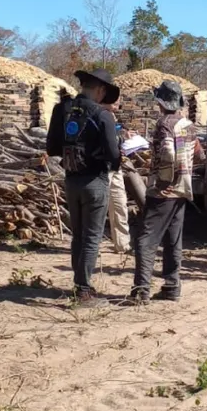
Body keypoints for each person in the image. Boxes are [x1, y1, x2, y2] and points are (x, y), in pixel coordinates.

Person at [46, 68, 121, 305]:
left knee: (78, 235)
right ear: (100, 90)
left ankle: (80, 284)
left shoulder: (62, 109)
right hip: (95, 181)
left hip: (71, 179)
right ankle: (84, 292)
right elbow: (113, 153)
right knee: (92, 237)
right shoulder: (102, 114)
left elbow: (52, 148)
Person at [132, 80, 204, 303]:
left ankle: (141, 289)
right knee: (173, 239)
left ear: (160, 102)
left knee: (145, 239)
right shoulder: (189, 125)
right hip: (182, 189)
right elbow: (200, 156)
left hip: (164, 190)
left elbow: (167, 153)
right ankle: (172, 286)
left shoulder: (164, 124)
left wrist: (163, 180)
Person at [103, 99, 132, 257]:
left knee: (120, 203)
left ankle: (122, 244)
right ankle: (87, 245)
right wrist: (122, 138)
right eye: (115, 101)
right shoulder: (98, 116)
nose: (118, 105)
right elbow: (108, 142)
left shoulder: (112, 118)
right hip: (102, 169)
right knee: (99, 207)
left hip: (116, 167)